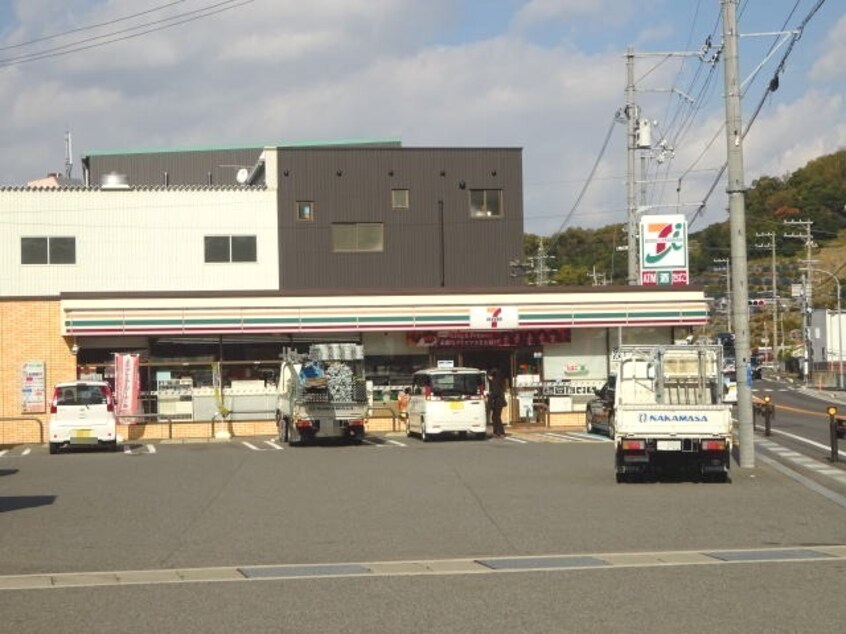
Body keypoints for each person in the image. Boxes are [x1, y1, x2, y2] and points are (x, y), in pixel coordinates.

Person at [487, 368, 506, 438]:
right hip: (499, 401)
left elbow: (495, 393)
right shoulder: (498, 381)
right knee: (496, 417)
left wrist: (490, 395)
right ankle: (498, 432)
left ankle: (499, 432)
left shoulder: (495, 382)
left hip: (497, 402)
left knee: (496, 417)